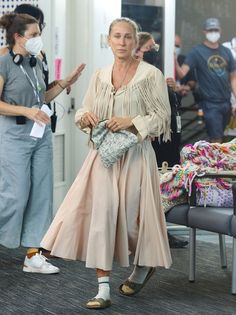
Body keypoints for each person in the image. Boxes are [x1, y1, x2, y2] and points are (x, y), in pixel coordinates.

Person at [41, 17, 172, 309]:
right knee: (101, 217)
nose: (122, 42)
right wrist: (84, 117)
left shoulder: (151, 75)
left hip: (136, 156)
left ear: (136, 42)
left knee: (130, 220)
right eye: (117, 36)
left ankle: (142, 265)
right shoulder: (100, 75)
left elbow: (161, 117)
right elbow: (85, 109)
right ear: (109, 40)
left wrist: (131, 121)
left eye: (128, 37)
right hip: (102, 156)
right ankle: (103, 289)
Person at [0, 13, 85, 273]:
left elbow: (43, 97)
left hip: (40, 134)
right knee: (16, 194)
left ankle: (33, 255)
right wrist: (27, 111)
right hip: (13, 135)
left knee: (41, 194)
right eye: (34, 35)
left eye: (39, 34)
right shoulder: (4, 63)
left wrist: (63, 83)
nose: (38, 40)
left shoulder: (36, 61)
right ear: (18, 36)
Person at [136, 31, 188, 249]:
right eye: (150, 49)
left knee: (165, 187)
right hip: (153, 140)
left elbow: (168, 106)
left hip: (170, 138)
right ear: (137, 51)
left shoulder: (154, 73)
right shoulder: (136, 76)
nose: (155, 52)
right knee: (151, 188)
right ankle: (146, 235)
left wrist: (173, 91)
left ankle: (161, 231)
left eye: (156, 48)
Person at [175, 18, 236, 143]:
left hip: (226, 102)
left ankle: (216, 160)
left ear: (220, 30)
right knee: (216, 138)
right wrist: (173, 58)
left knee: (224, 137)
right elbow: (182, 74)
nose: (213, 32)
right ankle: (215, 162)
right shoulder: (197, 52)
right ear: (204, 31)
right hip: (209, 103)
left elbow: (233, 78)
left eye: (216, 30)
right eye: (210, 30)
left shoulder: (226, 52)